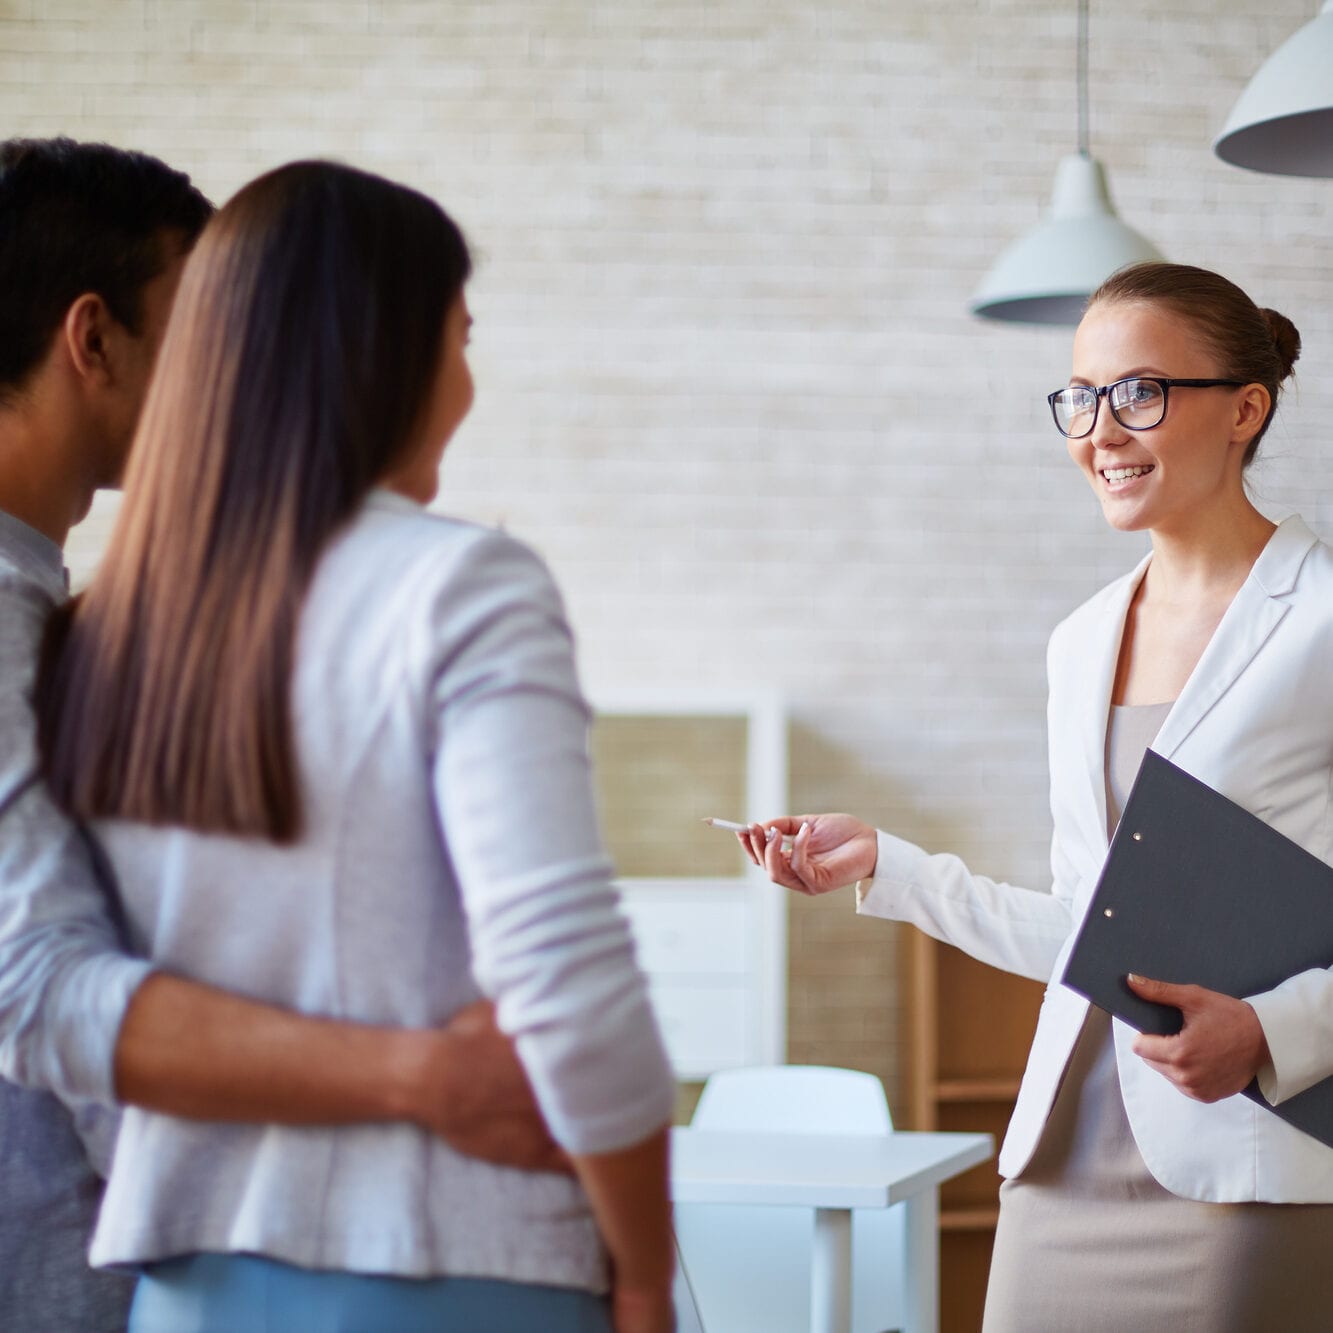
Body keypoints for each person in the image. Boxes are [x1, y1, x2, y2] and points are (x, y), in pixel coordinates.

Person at [34, 158, 676, 1333]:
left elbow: (67, 992)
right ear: (386, 348)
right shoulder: (460, 584)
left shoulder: (95, 631)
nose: (468, 381)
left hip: (184, 1285)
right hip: (451, 1266)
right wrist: (642, 1266)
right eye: (461, 338)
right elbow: (563, 973)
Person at [742, 261, 1333, 1330]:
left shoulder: (1322, 619)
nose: (1099, 431)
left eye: (1139, 392)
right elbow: (1085, 926)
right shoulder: (1080, 641)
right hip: (1062, 1157)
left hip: (1243, 1167)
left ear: (1245, 409)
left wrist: (1270, 1029)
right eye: (1081, 396)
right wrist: (888, 865)